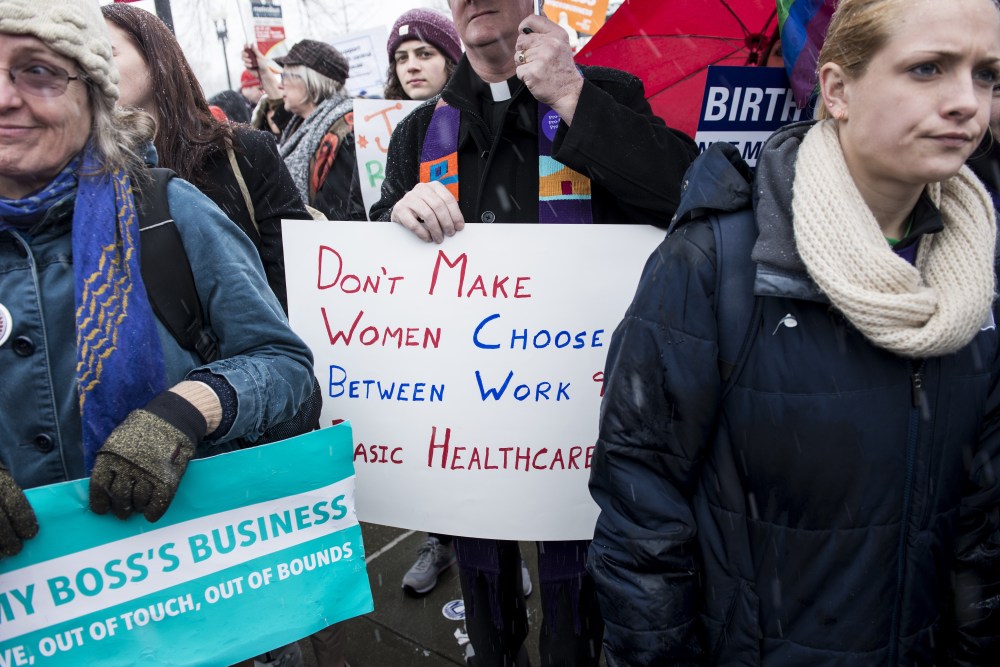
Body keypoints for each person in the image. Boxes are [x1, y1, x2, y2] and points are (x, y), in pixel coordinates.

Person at [587, 0, 1000, 664]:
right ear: (836, 90)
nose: (966, 102)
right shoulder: (715, 261)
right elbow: (641, 513)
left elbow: (983, 532)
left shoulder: (981, 270)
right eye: (928, 68)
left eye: (988, 75)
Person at [370, 0, 698, 664]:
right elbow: (378, 270)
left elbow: (684, 194)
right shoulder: (421, 131)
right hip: (467, 423)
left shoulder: (605, 94)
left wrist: (571, 94)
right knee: (486, 594)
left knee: (578, 600)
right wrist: (395, 216)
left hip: (583, 416)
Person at [0, 0, 313, 595]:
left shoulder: (166, 210)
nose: (4, 98)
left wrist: (187, 411)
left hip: (184, 590)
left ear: (91, 92)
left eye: (36, 70)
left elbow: (285, 367)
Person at [101, 2, 311, 312]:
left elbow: (298, 273)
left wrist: (265, 351)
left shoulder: (244, 152)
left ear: (155, 57)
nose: (92, 66)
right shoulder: (90, 174)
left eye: (107, 52)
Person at [271, 39, 365, 222]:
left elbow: (339, 212)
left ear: (310, 81)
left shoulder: (346, 130)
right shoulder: (301, 125)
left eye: (285, 76)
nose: (280, 85)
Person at [384, 8, 462, 103]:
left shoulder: (481, 113)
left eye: (425, 54)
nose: (411, 67)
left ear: (451, 61)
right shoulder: (383, 116)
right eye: (402, 57)